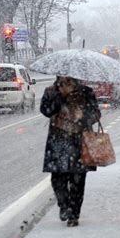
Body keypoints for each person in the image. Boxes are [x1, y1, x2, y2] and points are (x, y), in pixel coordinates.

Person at [40, 76, 101, 227]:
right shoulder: (51, 92)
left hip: (79, 142)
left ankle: (74, 214)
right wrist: (61, 96)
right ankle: (64, 205)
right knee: (57, 179)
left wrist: (82, 116)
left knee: (78, 181)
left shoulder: (85, 92)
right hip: (58, 142)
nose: (65, 79)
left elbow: (96, 114)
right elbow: (46, 111)